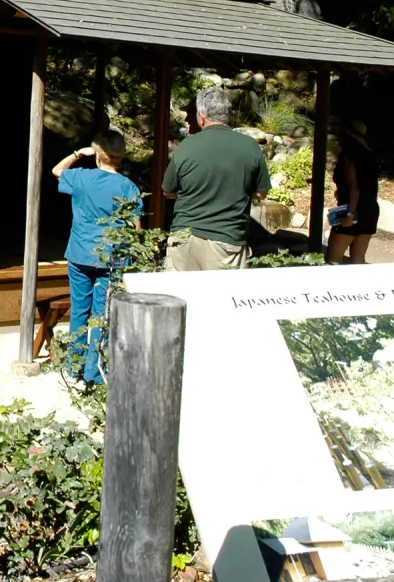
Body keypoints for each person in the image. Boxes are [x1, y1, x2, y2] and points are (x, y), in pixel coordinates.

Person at [53, 129, 141, 386]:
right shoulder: (128, 186)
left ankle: (74, 367)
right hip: (111, 258)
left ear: (98, 153)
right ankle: (96, 371)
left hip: (79, 254)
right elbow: (135, 226)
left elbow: (56, 171)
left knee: (79, 310)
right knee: (102, 315)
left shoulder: (81, 177)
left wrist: (77, 153)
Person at [162, 87, 270, 271]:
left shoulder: (187, 145)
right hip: (226, 240)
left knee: (179, 298)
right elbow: (261, 193)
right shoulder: (250, 146)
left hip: (184, 238)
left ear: (202, 116)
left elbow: (167, 190)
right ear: (227, 115)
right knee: (222, 299)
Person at [325, 120, 379, 264]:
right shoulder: (369, 153)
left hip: (354, 209)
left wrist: (350, 213)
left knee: (333, 258)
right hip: (370, 208)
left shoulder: (350, 153)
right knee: (358, 259)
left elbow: (354, 185)